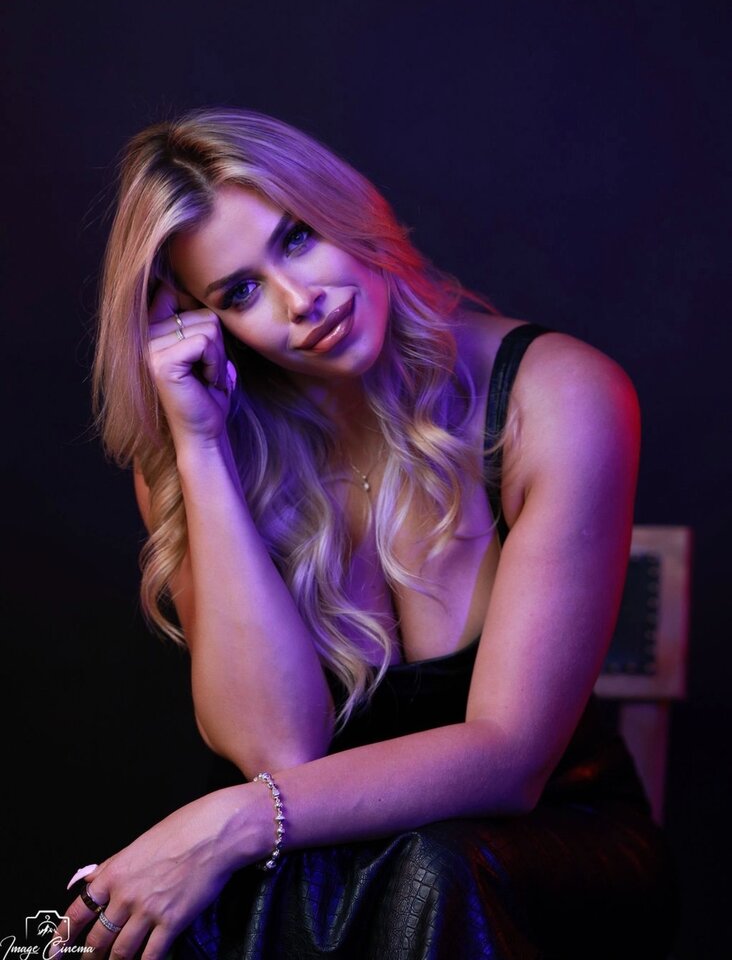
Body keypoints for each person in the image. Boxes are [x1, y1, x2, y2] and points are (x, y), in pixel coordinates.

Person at [58, 107, 679, 960]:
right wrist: (201, 447)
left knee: (431, 874)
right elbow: (279, 747)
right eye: (240, 293)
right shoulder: (206, 449)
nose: (299, 301)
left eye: (298, 238)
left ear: (347, 210)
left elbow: (511, 759)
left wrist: (231, 822)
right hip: (322, 862)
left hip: (540, 853)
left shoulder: (558, 398)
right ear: (198, 321)